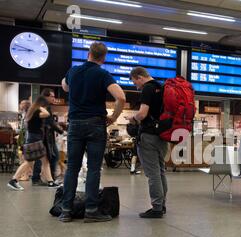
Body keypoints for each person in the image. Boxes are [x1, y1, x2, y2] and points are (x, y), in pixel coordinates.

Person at [59, 41, 125, 223]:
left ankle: (65, 210)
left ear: (89, 53)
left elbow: (64, 86)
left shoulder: (73, 71)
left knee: (72, 167)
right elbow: (120, 96)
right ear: (103, 58)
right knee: (94, 168)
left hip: (75, 124)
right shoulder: (102, 74)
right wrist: (113, 117)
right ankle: (91, 210)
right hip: (96, 124)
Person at [127, 67, 167, 219]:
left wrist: (133, 118)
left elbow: (143, 113)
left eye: (135, 82)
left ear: (139, 77)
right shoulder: (162, 88)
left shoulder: (147, 89)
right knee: (161, 171)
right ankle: (162, 205)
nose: (136, 86)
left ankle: (156, 208)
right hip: (162, 136)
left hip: (149, 136)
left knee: (153, 174)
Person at [7, 96, 60, 191]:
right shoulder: (37, 111)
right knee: (29, 162)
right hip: (35, 140)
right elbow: (47, 114)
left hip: (34, 139)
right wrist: (40, 106)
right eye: (45, 105)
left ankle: (51, 182)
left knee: (45, 161)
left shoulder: (32, 112)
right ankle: (14, 180)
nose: (46, 107)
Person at [31, 88, 64, 186]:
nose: (54, 98)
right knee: (53, 157)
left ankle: (40, 179)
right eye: (52, 96)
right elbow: (49, 121)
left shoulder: (40, 105)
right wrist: (60, 130)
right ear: (46, 96)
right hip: (45, 136)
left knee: (42, 158)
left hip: (43, 135)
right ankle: (49, 179)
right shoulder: (45, 106)